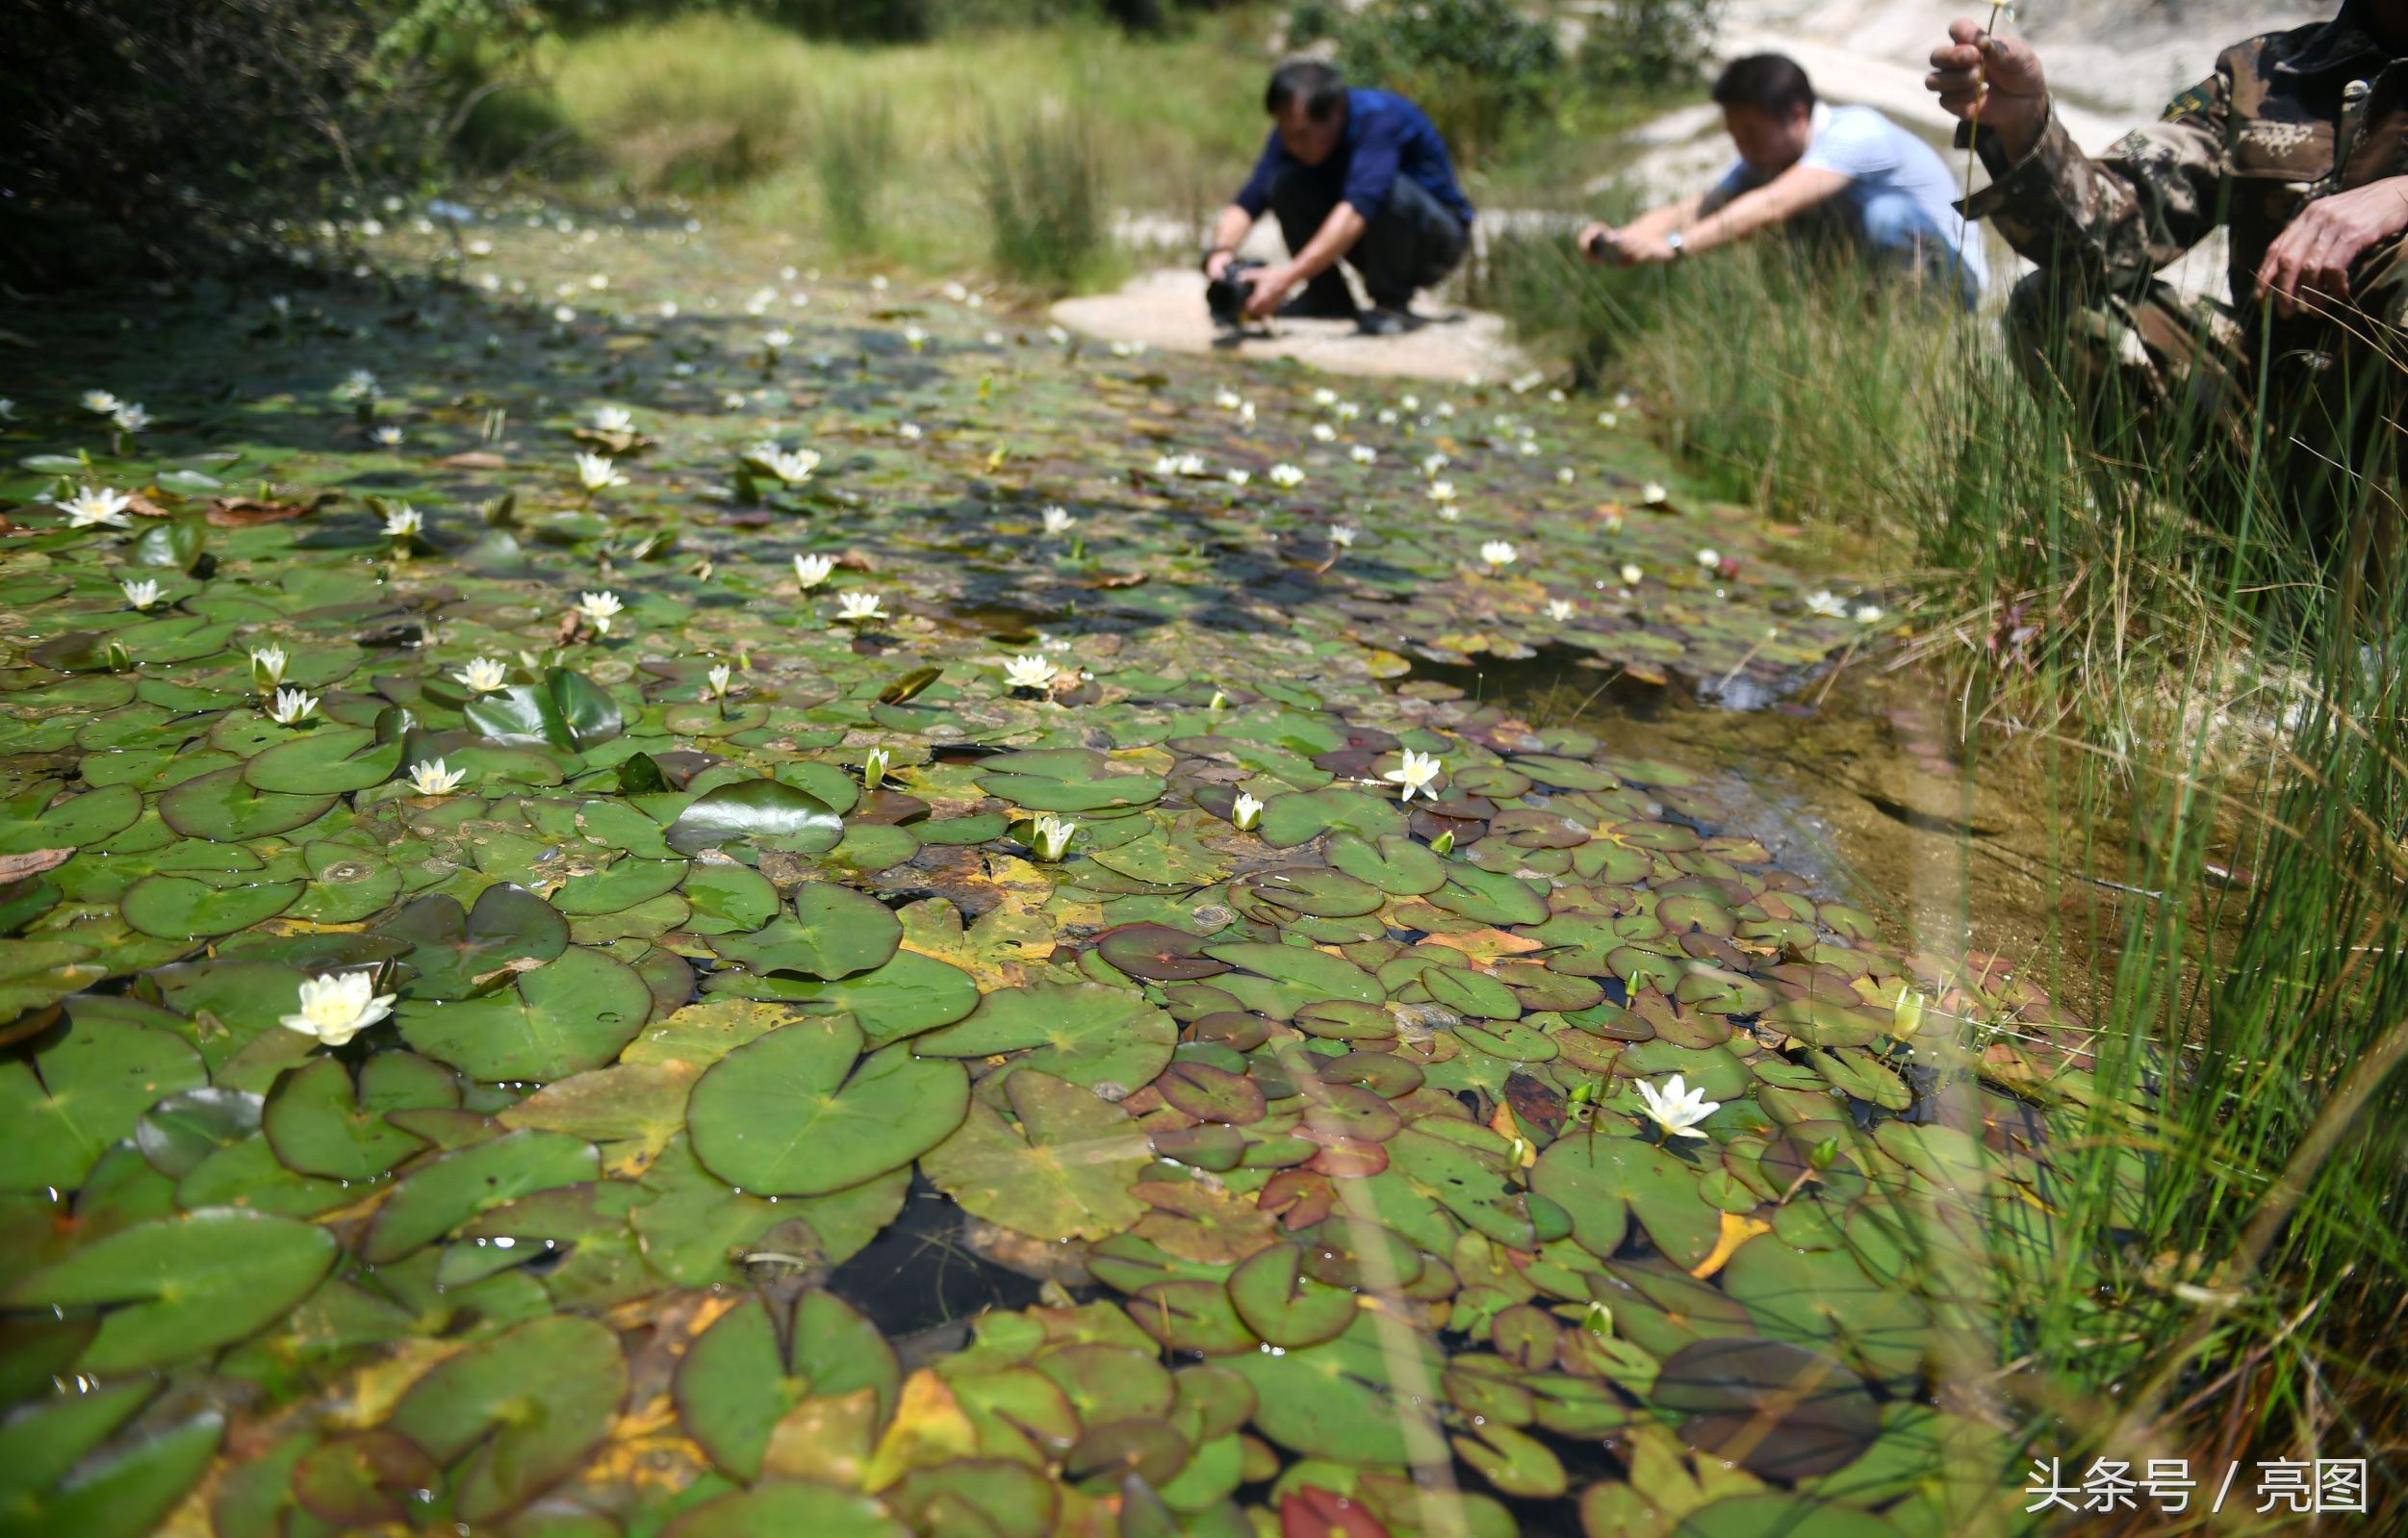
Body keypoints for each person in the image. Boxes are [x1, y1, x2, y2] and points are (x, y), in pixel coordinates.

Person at [1926, 7, 2406, 537]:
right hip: (2283, 415)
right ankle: (2241, 570)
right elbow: (2107, 238)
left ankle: (2372, 597)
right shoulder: (2269, 73)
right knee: (2062, 308)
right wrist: (2024, 124)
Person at [1581, 53, 1987, 307]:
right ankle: (1841, 321)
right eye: (1735, 137)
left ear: (1795, 115)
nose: (1743, 149)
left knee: (1883, 214)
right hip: (1869, 288)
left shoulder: (1856, 134)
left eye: (1751, 135)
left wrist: (1675, 247)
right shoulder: (1771, 156)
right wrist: (1623, 238)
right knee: (1768, 213)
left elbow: (1774, 204)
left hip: (1953, 286)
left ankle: (1919, 331)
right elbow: (1698, 208)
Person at [1202, 59, 1475, 336]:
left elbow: (1358, 209)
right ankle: (1326, 299)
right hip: (1374, 240)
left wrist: (1287, 278)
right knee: (1285, 183)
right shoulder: (1292, 132)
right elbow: (1249, 200)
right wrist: (1220, 254)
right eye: (1286, 133)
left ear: (1337, 113)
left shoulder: (1379, 118)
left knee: (1382, 189)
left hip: (1437, 244)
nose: (1293, 144)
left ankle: (1392, 304)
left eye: (1302, 135)